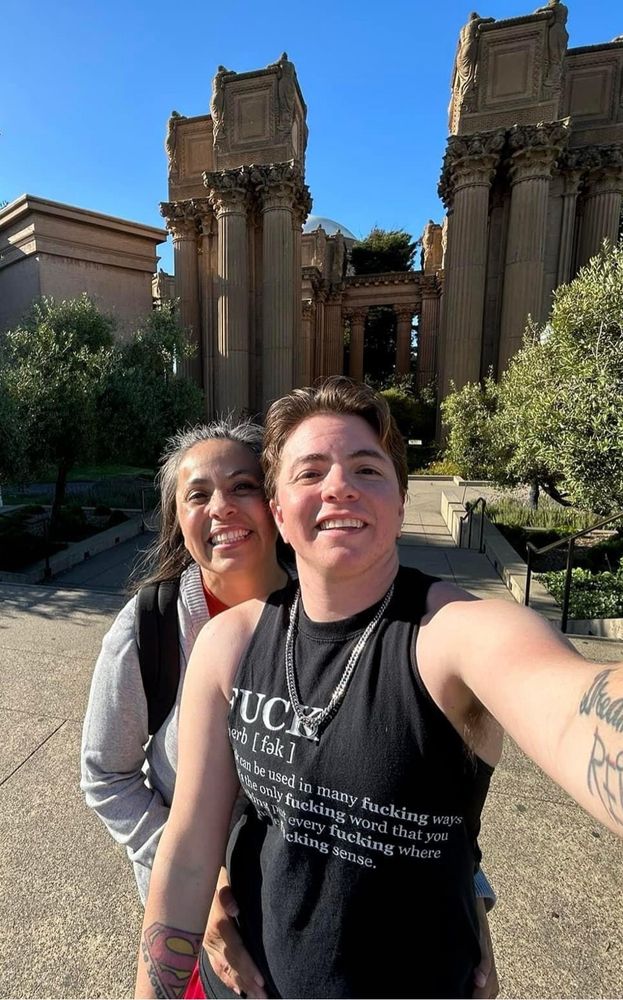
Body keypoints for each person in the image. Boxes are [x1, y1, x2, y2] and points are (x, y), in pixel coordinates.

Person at [83, 415, 497, 998]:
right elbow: (106, 776)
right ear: (177, 519)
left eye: (243, 486)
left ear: (275, 505)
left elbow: (413, 788)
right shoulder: (150, 629)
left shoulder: (335, 609)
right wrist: (198, 890)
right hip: (212, 930)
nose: (221, 508)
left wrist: (468, 901)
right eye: (197, 495)